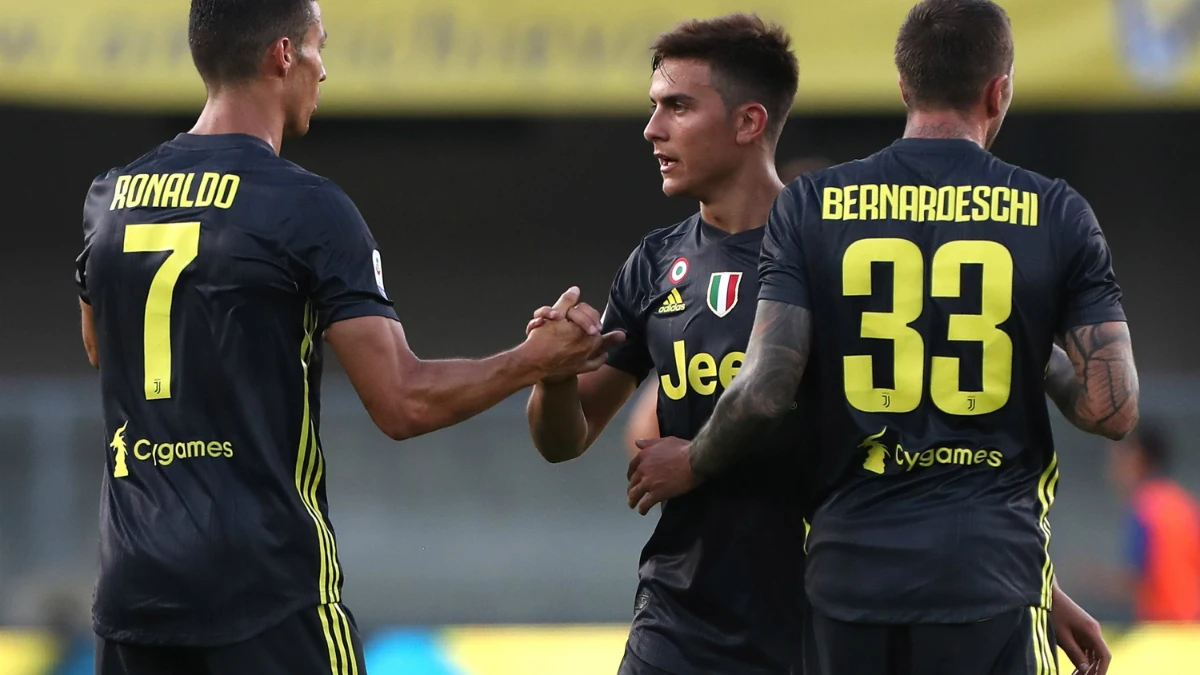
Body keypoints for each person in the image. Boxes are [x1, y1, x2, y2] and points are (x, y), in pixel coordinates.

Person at [74, 1, 618, 673]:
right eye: (317, 46)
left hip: (134, 590)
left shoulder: (112, 195)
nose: (323, 69)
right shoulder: (306, 207)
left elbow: (102, 346)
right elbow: (403, 401)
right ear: (282, 56)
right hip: (265, 590)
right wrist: (534, 358)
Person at [625, 1, 1138, 674]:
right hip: (990, 568)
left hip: (847, 578)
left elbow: (764, 390)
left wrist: (692, 459)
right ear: (999, 91)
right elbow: (1111, 408)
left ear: (903, 84)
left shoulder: (814, 207)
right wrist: (1021, 334)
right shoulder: (1054, 210)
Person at [525, 14, 815, 675]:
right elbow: (563, 439)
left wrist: (1036, 583)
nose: (653, 129)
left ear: (748, 123)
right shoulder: (655, 262)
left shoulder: (829, 257)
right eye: (655, 107)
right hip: (679, 620)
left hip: (815, 621)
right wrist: (556, 372)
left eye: (677, 106)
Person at [1106, 421, 1200, 621]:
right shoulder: (1185, 505)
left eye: (1120, 457)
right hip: (1193, 631)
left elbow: (1134, 578)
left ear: (1138, 459)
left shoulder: (1144, 509)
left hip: (1161, 630)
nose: (1112, 467)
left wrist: (1087, 580)